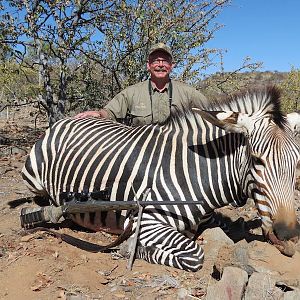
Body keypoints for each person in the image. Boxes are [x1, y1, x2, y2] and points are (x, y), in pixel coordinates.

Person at [75, 43, 207, 126]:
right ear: (148, 65)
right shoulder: (132, 92)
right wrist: (97, 114)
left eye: (165, 61)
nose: (160, 65)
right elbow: (109, 113)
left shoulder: (188, 93)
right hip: (142, 156)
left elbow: (210, 113)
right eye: (156, 61)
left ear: (171, 66)